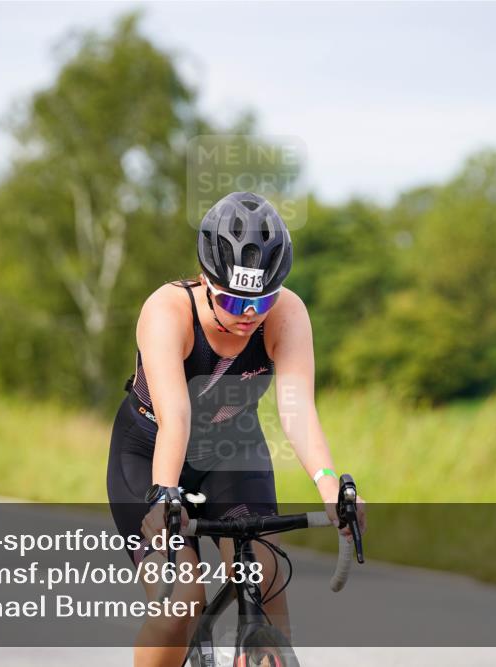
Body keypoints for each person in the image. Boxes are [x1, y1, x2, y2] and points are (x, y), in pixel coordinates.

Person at [107, 192, 366, 666]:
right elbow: (176, 416)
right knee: (181, 599)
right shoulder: (167, 311)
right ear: (205, 280)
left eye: (262, 299)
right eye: (232, 298)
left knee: (265, 579)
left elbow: (297, 410)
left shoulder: (287, 314)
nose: (249, 314)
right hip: (148, 451)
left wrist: (330, 487)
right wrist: (164, 495)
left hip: (231, 448)